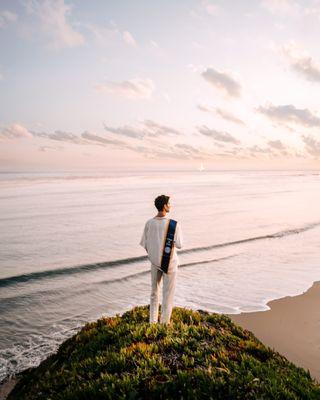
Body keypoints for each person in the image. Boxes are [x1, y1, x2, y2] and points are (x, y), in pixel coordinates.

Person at [140, 195, 183, 324]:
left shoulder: (149, 223)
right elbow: (180, 245)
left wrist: (154, 256)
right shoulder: (174, 224)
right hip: (170, 263)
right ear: (164, 206)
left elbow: (145, 245)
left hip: (154, 263)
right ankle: (164, 323)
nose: (170, 205)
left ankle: (152, 322)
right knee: (167, 295)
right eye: (168, 203)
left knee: (154, 293)